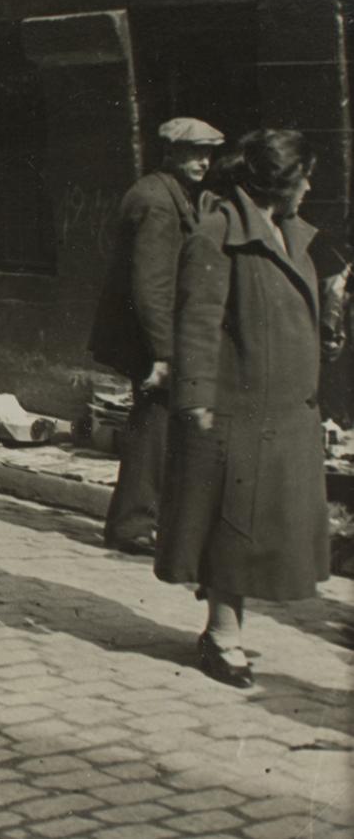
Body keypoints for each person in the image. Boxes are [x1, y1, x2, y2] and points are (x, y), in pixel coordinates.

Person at [156, 129, 326, 689]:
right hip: (237, 407)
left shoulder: (291, 233)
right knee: (233, 527)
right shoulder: (218, 232)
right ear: (282, 180)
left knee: (267, 529)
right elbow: (197, 322)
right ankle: (222, 636)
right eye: (305, 174)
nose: (310, 185)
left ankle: (226, 630)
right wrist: (197, 398)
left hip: (283, 411)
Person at [89, 116, 225, 554]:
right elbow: (151, 287)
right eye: (193, 152)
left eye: (208, 152)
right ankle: (132, 525)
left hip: (156, 336)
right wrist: (164, 355)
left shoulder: (174, 195)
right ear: (170, 153)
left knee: (158, 424)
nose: (203, 160)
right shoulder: (156, 201)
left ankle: (145, 518)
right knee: (153, 425)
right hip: (150, 338)